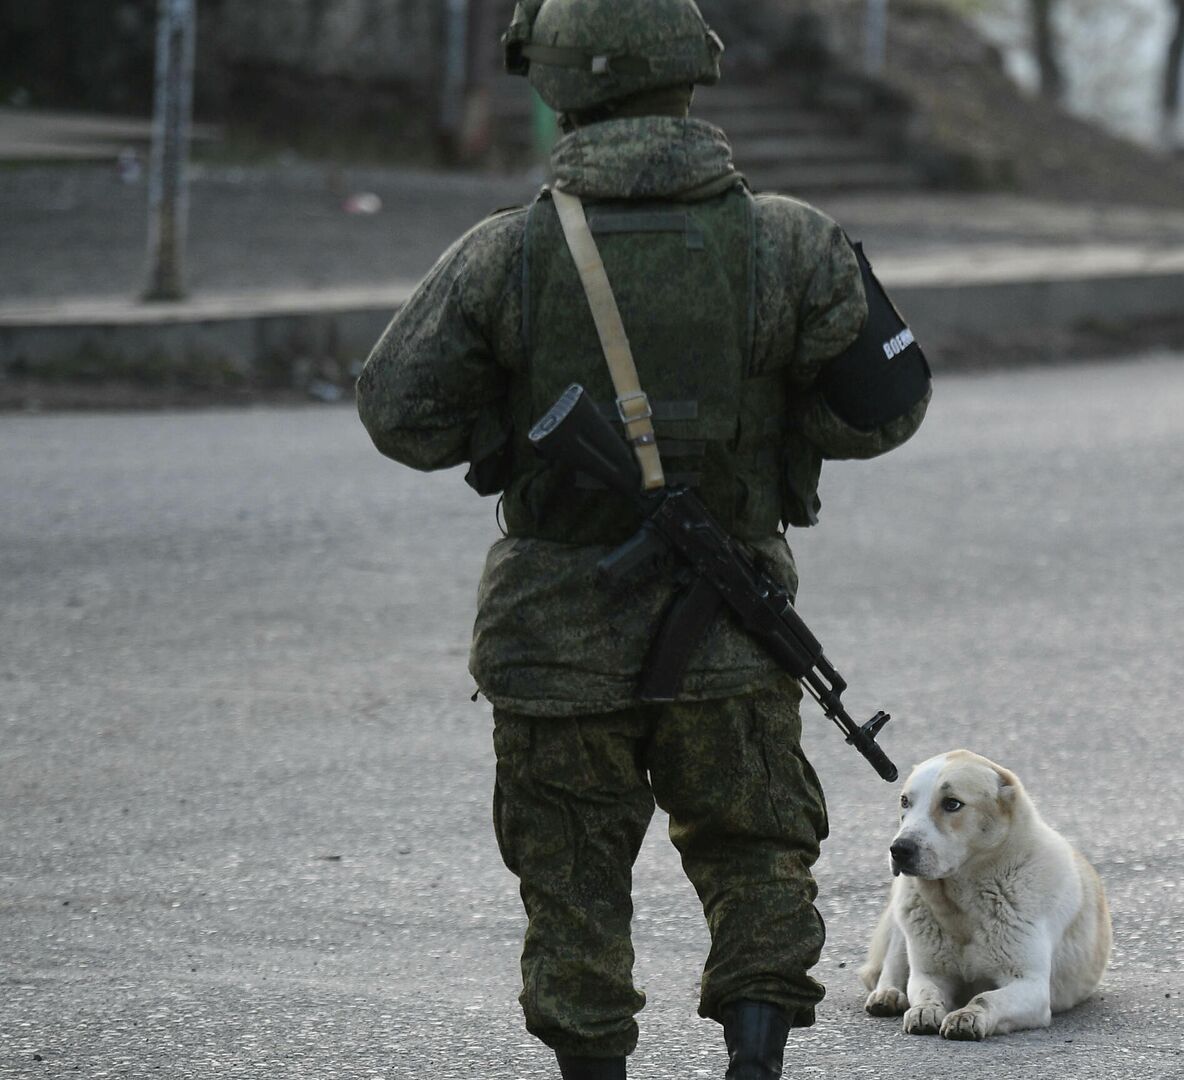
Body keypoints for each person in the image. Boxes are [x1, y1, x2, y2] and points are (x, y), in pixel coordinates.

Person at [354, 1, 931, 1076]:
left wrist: (514, 442)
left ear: (556, 80)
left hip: (552, 634)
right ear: (694, 72)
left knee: (570, 875)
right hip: (730, 633)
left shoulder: (506, 252)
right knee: (758, 849)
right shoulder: (791, 241)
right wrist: (768, 436)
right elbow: (885, 409)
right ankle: (755, 1058)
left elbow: (397, 410)